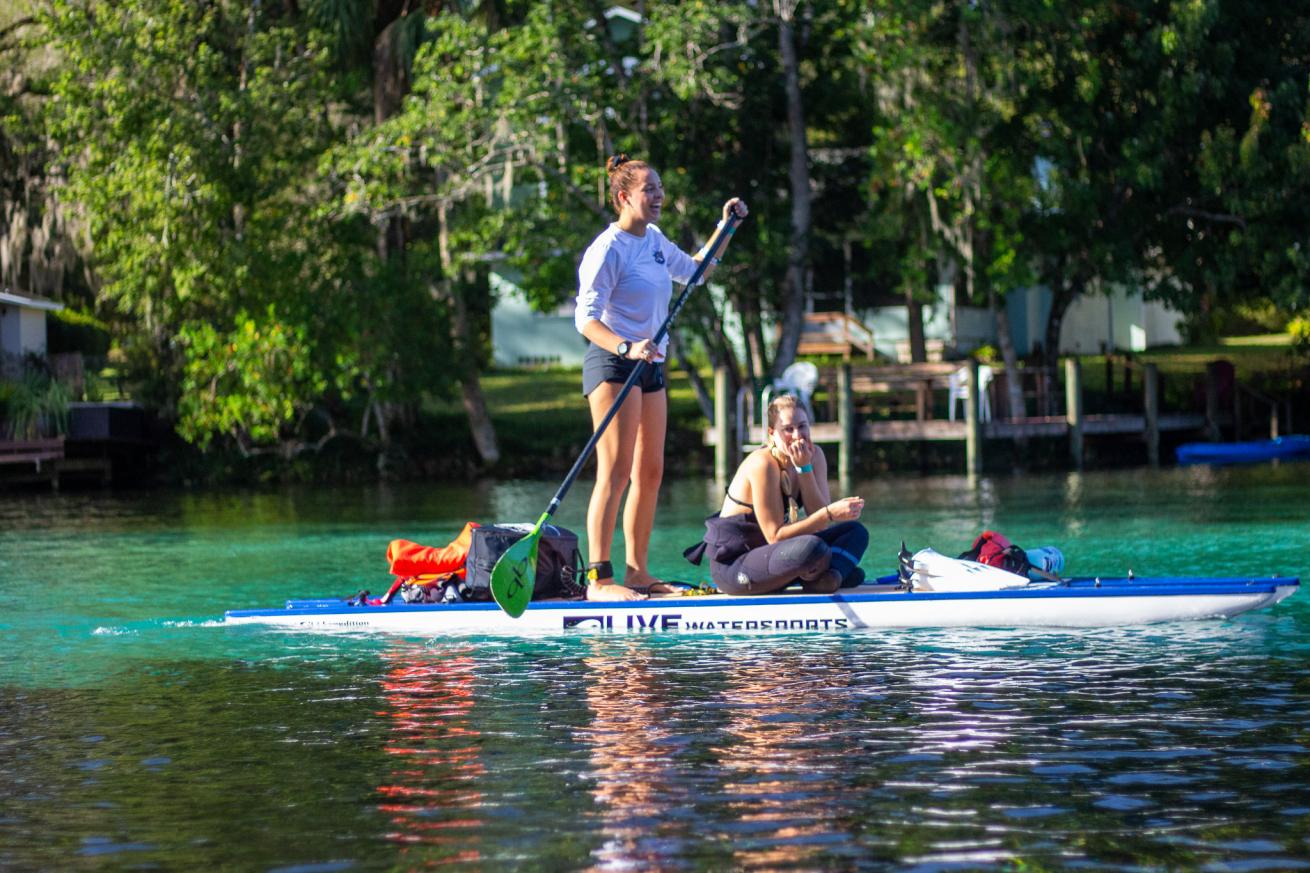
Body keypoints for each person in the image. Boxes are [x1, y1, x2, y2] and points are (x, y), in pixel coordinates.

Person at [575, 153, 748, 601]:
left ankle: (637, 573)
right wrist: (627, 346)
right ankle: (599, 580)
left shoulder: (652, 238)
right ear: (623, 197)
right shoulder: (607, 249)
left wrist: (724, 228)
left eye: (660, 188)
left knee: (649, 473)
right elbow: (586, 319)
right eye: (648, 190)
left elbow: (697, 271)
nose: (658, 197)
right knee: (613, 472)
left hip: (651, 365)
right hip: (613, 364)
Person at [684, 394, 869, 594]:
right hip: (735, 566)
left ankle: (828, 578)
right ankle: (832, 573)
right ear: (772, 433)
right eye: (788, 429)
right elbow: (775, 536)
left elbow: (820, 519)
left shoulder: (815, 457)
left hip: (775, 559)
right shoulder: (762, 464)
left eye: (802, 426)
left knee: (855, 532)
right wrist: (830, 513)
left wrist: (804, 469)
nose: (798, 435)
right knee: (813, 547)